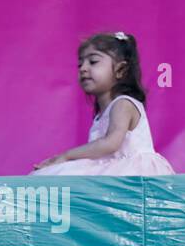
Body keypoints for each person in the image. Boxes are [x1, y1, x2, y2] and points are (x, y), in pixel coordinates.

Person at [32, 31, 174, 175]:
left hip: (134, 175)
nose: (83, 68)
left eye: (93, 62)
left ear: (120, 70)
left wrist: (67, 155)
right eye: (80, 64)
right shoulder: (102, 114)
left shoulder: (123, 104)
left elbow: (111, 144)